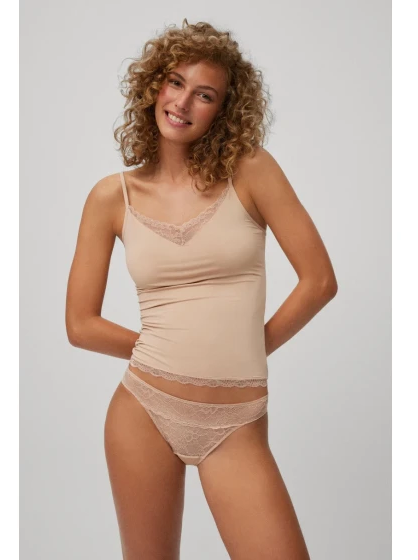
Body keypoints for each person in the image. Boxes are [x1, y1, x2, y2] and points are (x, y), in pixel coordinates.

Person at [65, 19, 337, 560]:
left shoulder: (251, 172)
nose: (183, 102)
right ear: (153, 87)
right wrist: (162, 352)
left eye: (205, 94)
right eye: (175, 82)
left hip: (236, 422)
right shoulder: (111, 198)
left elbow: (320, 281)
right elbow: (80, 325)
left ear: (223, 110)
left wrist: (247, 348)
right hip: (143, 410)